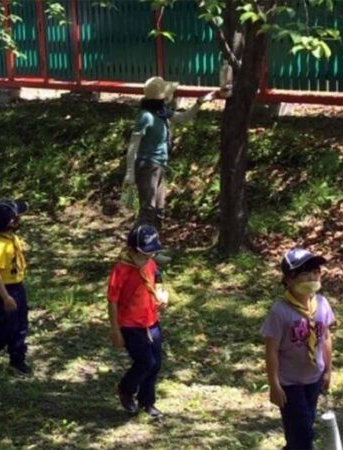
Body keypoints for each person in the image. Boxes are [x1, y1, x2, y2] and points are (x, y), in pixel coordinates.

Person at [262, 248, 334, 450]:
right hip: (289, 383)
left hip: (314, 378)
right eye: (305, 273)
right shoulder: (280, 311)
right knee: (303, 434)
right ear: (288, 279)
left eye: (316, 272)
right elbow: (271, 350)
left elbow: (326, 337)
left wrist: (328, 371)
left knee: (304, 427)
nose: (312, 277)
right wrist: (274, 384)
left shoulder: (322, 304)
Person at [124, 77, 219, 231]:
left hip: (160, 165)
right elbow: (133, 146)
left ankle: (154, 241)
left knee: (159, 209)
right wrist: (130, 172)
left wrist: (199, 102)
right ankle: (141, 243)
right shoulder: (146, 117)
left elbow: (182, 118)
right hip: (147, 166)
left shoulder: (161, 112)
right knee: (148, 210)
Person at [107, 224, 168, 417]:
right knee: (145, 361)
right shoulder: (121, 269)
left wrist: (162, 294)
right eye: (144, 254)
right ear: (132, 250)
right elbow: (112, 301)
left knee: (156, 363)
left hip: (151, 320)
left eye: (152, 253)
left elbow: (157, 279)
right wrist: (115, 330)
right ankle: (126, 389)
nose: (149, 257)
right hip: (130, 324)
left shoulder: (150, 263)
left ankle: (147, 401)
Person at [0, 199, 31, 375]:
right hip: (4, 289)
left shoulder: (10, 237)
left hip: (17, 286)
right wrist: (6, 297)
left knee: (21, 323)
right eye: (17, 217)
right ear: (11, 222)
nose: (20, 220)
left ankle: (17, 359)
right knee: (9, 325)